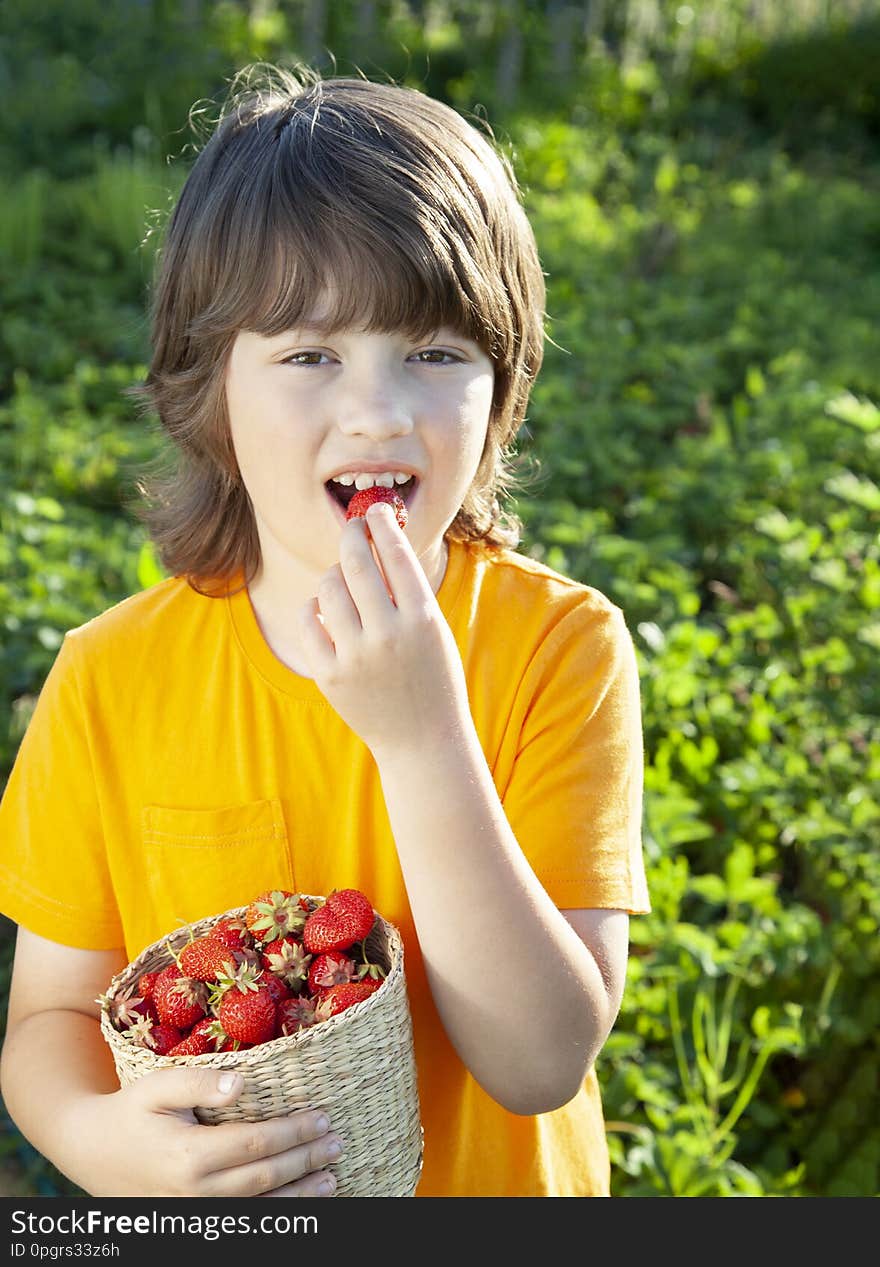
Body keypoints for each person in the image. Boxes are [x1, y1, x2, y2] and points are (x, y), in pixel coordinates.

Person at [0, 62, 650, 1198]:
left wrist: (419, 737)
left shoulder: (559, 649)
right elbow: (49, 1017)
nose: (378, 410)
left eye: (436, 353)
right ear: (210, 393)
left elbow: (539, 1062)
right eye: (310, 354)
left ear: (501, 393)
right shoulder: (112, 677)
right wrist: (103, 1143)